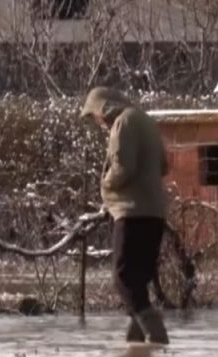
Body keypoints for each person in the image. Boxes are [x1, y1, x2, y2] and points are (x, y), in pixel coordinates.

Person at [80, 87, 170, 344]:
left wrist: (106, 184)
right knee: (139, 280)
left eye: (95, 116)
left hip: (132, 212)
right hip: (154, 212)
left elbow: (123, 168)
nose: (98, 122)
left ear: (103, 108)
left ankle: (156, 334)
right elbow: (164, 165)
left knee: (123, 277)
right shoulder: (145, 120)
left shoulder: (123, 121)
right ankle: (137, 352)